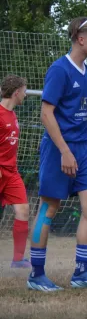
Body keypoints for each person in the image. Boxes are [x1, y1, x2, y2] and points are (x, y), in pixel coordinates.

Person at [27, 17, 87, 291]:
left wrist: (77, 149)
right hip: (58, 147)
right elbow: (46, 113)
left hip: (83, 146)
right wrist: (63, 151)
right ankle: (36, 275)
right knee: (49, 207)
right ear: (80, 38)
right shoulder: (59, 70)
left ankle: (81, 273)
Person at [0, 75, 31, 269]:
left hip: (11, 173)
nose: (26, 95)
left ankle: (18, 260)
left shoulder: (13, 115)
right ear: (16, 92)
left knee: (23, 210)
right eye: (25, 91)